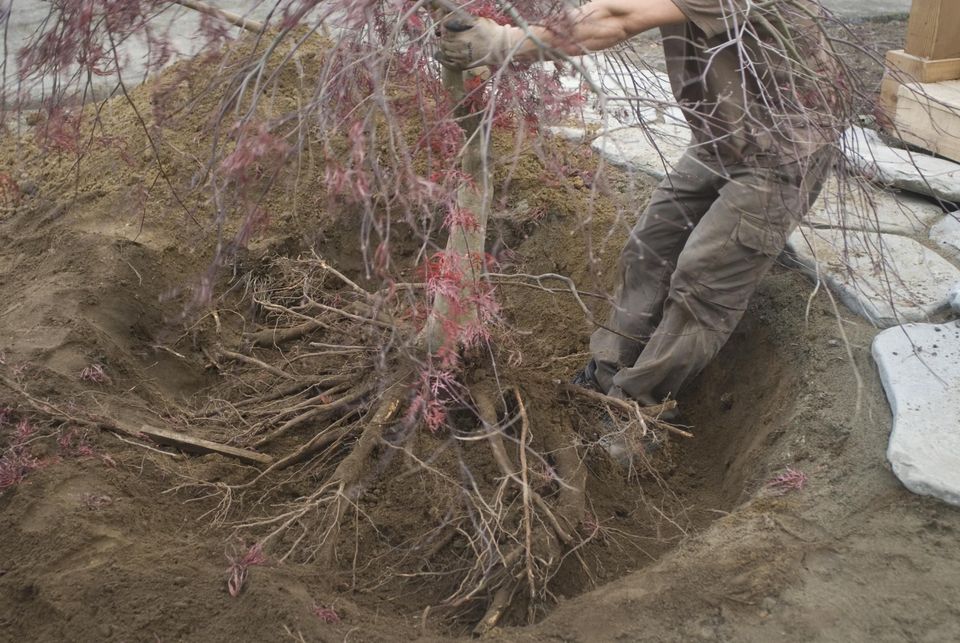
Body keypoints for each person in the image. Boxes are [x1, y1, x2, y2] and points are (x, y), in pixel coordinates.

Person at [438, 0, 843, 412]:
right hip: (721, 137)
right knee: (648, 248)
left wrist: (507, 41)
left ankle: (634, 411)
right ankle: (602, 378)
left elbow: (618, 17)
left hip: (782, 151)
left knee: (701, 279)